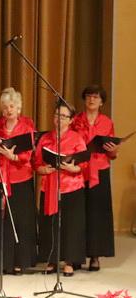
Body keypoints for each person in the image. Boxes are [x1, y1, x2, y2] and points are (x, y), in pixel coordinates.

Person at [0, 88, 37, 275]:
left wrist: (14, 157)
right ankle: (1, 261)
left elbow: (30, 152)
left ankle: (20, 261)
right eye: (5, 107)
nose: (8, 110)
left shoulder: (27, 125)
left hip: (20, 178)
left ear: (18, 108)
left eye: (11, 106)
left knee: (21, 220)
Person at [34, 101, 87, 276]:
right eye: (57, 115)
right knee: (49, 224)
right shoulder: (45, 138)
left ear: (71, 120)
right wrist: (42, 169)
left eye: (64, 116)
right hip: (49, 186)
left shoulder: (76, 138)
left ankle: (70, 261)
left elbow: (84, 163)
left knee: (71, 225)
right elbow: (36, 163)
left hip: (71, 186)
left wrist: (73, 168)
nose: (59, 119)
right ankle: (51, 259)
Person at [71, 85, 118, 271]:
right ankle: (76, 255)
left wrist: (113, 149)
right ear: (84, 99)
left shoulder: (107, 122)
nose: (92, 100)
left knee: (97, 214)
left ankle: (95, 256)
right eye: (89, 96)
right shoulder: (76, 121)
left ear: (101, 102)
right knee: (78, 214)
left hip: (99, 171)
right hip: (79, 170)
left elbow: (112, 153)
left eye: (96, 97)